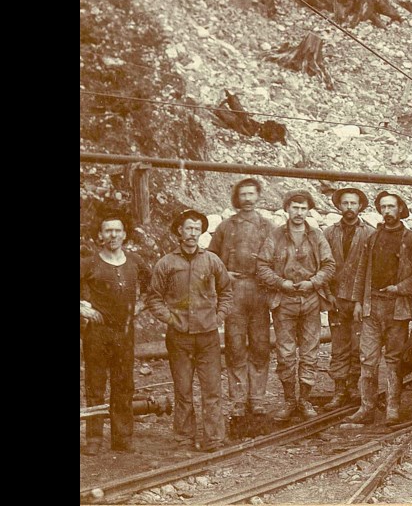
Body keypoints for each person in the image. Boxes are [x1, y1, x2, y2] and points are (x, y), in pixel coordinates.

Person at [146, 209, 234, 452]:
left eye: (197, 228)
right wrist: (171, 319)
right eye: (188, 228)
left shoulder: (212, 260)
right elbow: (153, 298)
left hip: (207, 336)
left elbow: (227, 292)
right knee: (183, 388)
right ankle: (184, 437)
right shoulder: (166, 263)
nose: (192, 233)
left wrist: (218, 317)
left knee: (212, 389)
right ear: (179, 231)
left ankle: (213, 438)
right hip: (179, 338)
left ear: (201, 232)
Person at [257, 189, 336, 420]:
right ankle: (289, 400)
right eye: (295, 207)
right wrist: (282, 283)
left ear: (308, 210)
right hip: (284, 301)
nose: (299, 213)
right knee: (286, 353)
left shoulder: (316, 236)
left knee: (311, 353)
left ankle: (306, 401)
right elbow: (262, 266)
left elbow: (329, 265)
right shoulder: (276, 236)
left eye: (303, 208)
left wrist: (313, 282)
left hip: (311, 300)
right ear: (287, 209)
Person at [346, 191, 412, 425]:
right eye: (383, 207)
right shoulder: (373, 237)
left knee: (393, 359)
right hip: (372, 305)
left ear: (400, 210)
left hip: (397, 307)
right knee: (367, 358)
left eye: (391, 207)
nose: (387, 211)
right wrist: (358, 301)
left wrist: (399, 288)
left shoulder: (410, 239)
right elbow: (361, 271)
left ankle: (392, 408)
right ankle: (366, 407)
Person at [80, 212, 152, 455]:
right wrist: (83, 309)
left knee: (124, 383)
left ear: (124, 234)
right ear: (100, 235)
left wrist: (141, 305)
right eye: (107, 231)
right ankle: (94, 439)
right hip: (97, 334)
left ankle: (122, 437)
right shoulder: (88, 263)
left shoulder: (135, 261)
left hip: (124, 333)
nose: (113, 235)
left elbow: (152, 287)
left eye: (117, 230)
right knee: (95, 383)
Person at [207, 178, 274, 417]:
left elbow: (276, 258)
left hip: (259, 291)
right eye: (243, 194)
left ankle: (257, 397)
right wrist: (224, 274)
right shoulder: (226, 226)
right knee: (235, 346)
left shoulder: (267, 226)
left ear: (258, 197)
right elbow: (211, 259)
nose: (247, 199)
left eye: (251, 194)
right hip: (233, 293)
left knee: (260, 345)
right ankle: (238, 399)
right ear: (237, 198)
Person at [322, 187, 376, 409]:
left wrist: (361, 302)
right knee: (339, 346)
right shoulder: (329, 233)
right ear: (339, 206)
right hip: (336, 299)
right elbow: (322, 265)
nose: (349, 208)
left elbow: (371, 272)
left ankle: (355, 388)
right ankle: (339, 389)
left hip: (357, 301)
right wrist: (328, 296)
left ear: (360, 206)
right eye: (345, 203)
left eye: (353, 203)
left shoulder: (370, 233)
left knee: (358, 346)